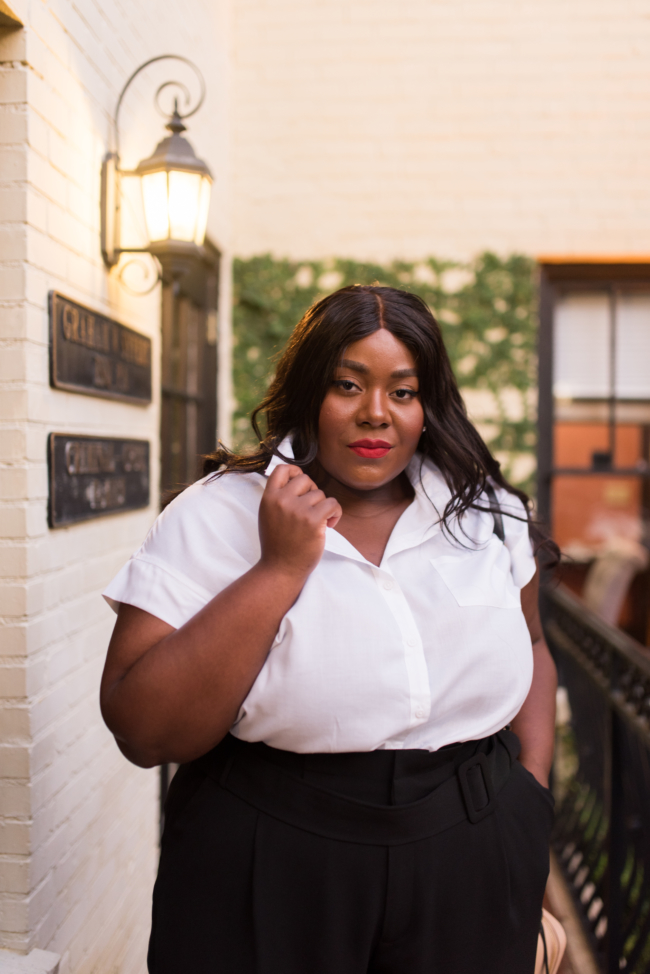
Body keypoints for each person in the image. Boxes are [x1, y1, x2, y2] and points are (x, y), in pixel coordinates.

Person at [101, 284, 558, 974]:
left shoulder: (486, 514)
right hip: (271, 849)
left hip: (468, 844)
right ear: (310, 390)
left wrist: (529, 801)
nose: (376, 413)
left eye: (403, 392)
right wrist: (279, 568)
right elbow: (144, 730)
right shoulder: (217, 513)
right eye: (348, 385)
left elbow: (531, 647)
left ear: (428, 406)